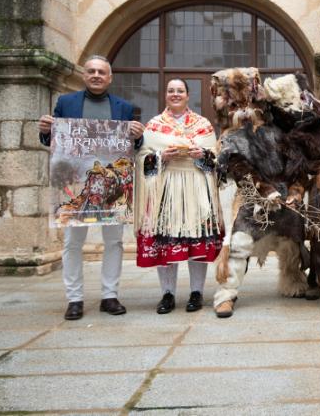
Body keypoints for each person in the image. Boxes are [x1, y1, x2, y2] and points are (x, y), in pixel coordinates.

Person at [39, 55, 144, 321]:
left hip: (113, 185)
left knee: (114, 242)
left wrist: (138, 136)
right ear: (84, 75)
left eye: (102, 72)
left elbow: (133, 149)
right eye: (91, 71)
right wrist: (45, 130)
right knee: (73, 242)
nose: (96, 75)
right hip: (75, 184)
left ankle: (110, 295)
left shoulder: (123, 107)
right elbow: (54, 140)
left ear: (110, 77)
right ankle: (74, 299)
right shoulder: (66, 102)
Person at [134, 79, 222, 314]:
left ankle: (197, 293)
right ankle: (167, 294)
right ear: (165, 95)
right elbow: (142, 159)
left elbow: (215, 158)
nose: (175, 94)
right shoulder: (153, 125)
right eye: (171, 90)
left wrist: (201, 154)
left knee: (197, 241)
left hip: (196, 189)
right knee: (167, 242)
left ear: (187, 95)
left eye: (179, 91)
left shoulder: (203, 124)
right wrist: (162, 156)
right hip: (166, 189)